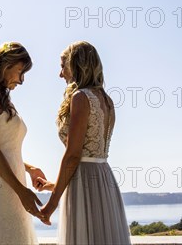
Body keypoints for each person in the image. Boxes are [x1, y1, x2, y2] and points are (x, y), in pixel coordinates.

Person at [36, 41, 132, 244]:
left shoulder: (81, 97)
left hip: (83, 185)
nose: (60, 74)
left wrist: (50, 206)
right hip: (104, 180)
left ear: (77, 65)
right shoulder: (107, 100)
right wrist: (53, 185)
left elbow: (73, 155)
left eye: (63, 66)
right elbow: (92, 154)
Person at [0, 41, 44, 245]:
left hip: (16, 183)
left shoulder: (4, 100)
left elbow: (7, 148)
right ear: (7, 65)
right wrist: (22, 192)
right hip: (0, 187)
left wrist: (29, 169)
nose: (21, 80)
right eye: (20, 71)